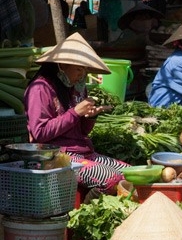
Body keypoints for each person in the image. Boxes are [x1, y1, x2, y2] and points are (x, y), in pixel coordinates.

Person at [24, 33, 130, 197]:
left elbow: (81, 132)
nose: (82, 75)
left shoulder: (76, 88)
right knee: (112, 180)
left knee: (131, 174)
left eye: (85, 70)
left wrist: (89, 117)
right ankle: (85, 214)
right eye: (79, 69)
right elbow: (40, 133)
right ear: (61, 65)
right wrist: (75, 112)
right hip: (56, 156)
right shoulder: (40, 89)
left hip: (83, 152)